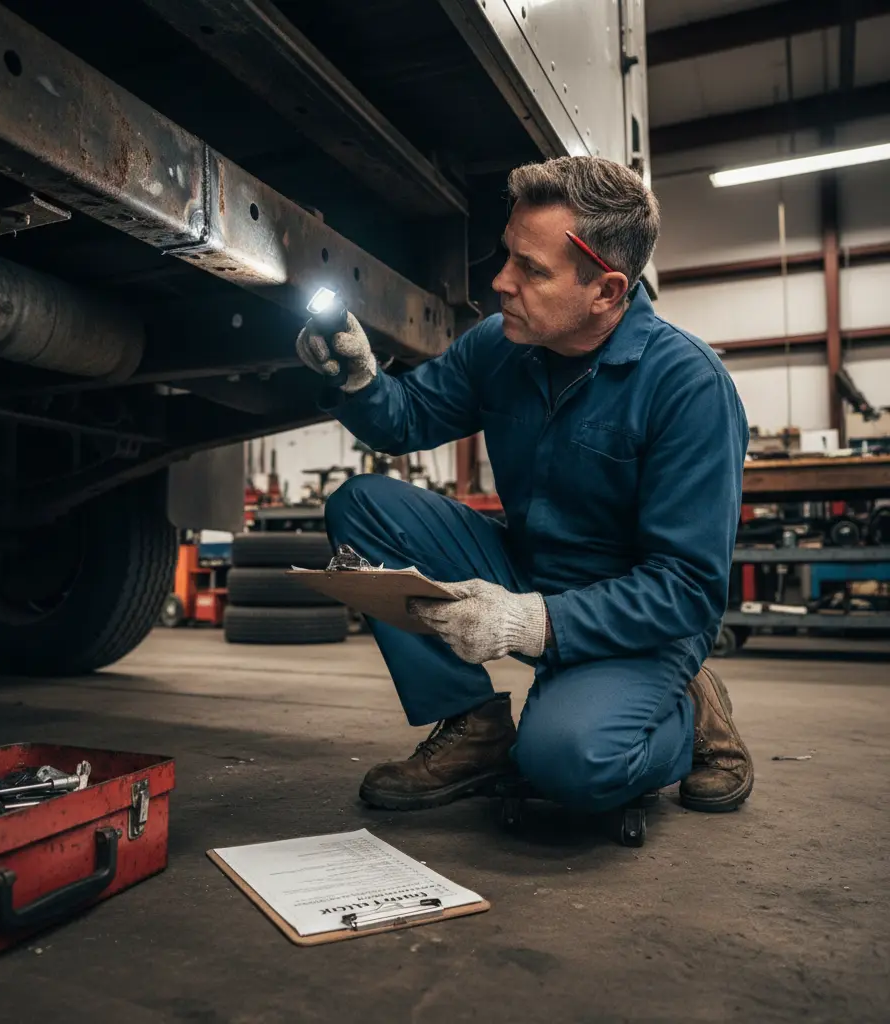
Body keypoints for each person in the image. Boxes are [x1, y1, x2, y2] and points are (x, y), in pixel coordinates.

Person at [295, 156, 753, 817]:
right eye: (508, 255)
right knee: (364, 507)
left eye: (532, 270)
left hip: (638, 626)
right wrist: (358, 378)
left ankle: (688, 713)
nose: (501, 282)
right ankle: (472, 726)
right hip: (529, 567)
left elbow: (687, 589)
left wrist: (533, 621)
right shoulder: (500, 346)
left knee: (568, 765)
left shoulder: (688, 387)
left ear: (606, 289)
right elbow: (408, 419)